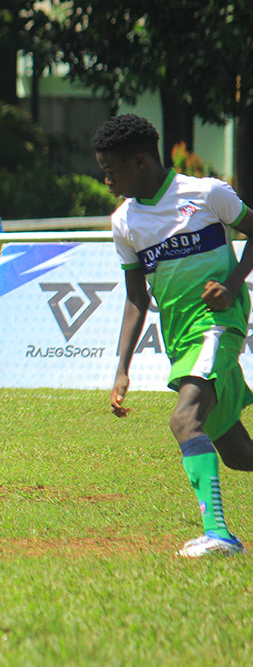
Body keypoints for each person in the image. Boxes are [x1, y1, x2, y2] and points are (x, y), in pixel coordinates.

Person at [95, 113, 253, 557]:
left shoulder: (206, 194)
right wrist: (121, 370)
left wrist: (235, 284)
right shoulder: (125, 222)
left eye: (111, 171)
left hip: (218, 326)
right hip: (182, 340)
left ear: (141, 161)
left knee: (184, 421)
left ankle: (220, 535)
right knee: (239, 454)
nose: (106, 181)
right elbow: (135, 299)